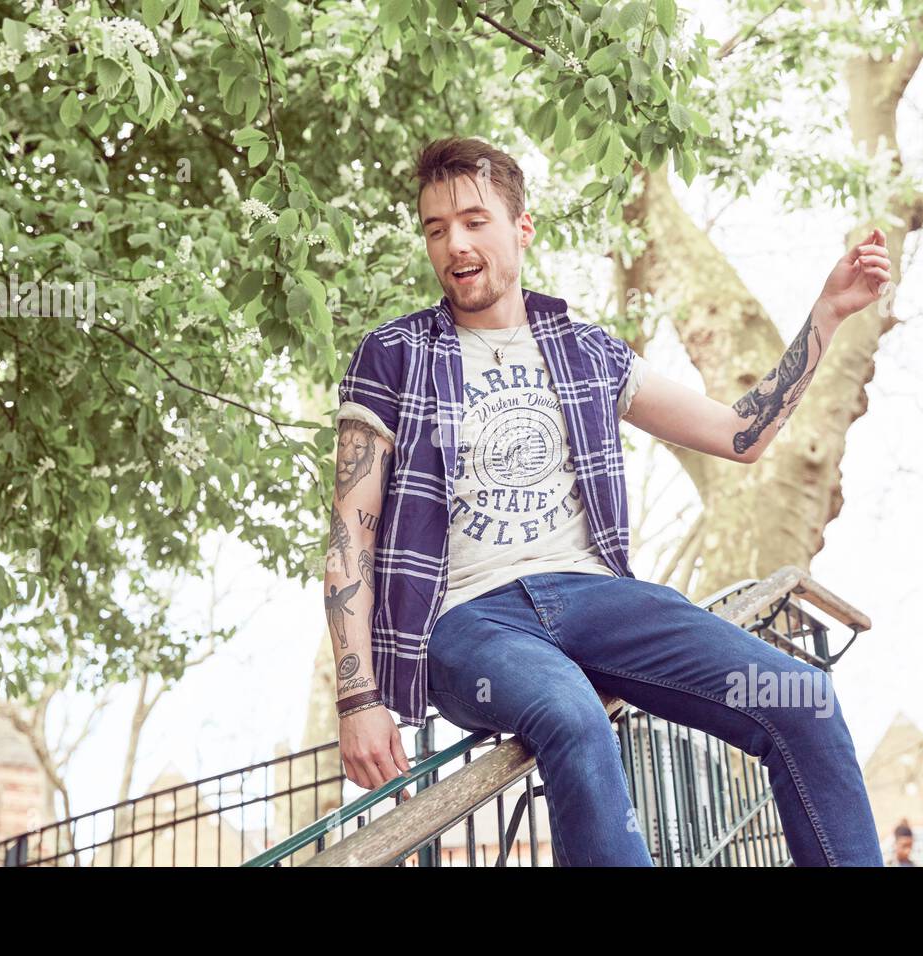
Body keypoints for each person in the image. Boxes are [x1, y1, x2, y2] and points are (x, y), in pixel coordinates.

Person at [323, 136, 892, 866]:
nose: (454, 244)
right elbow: (350, 536)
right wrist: (357, 699)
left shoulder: (587, 351)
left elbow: (738, 434)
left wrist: (828, 313)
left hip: (594, 599)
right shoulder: (394, 354)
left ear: (521, 228)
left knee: (800, 697)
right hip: (467, 621)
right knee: (571, 713)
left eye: (473, 221)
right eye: (436, 229)